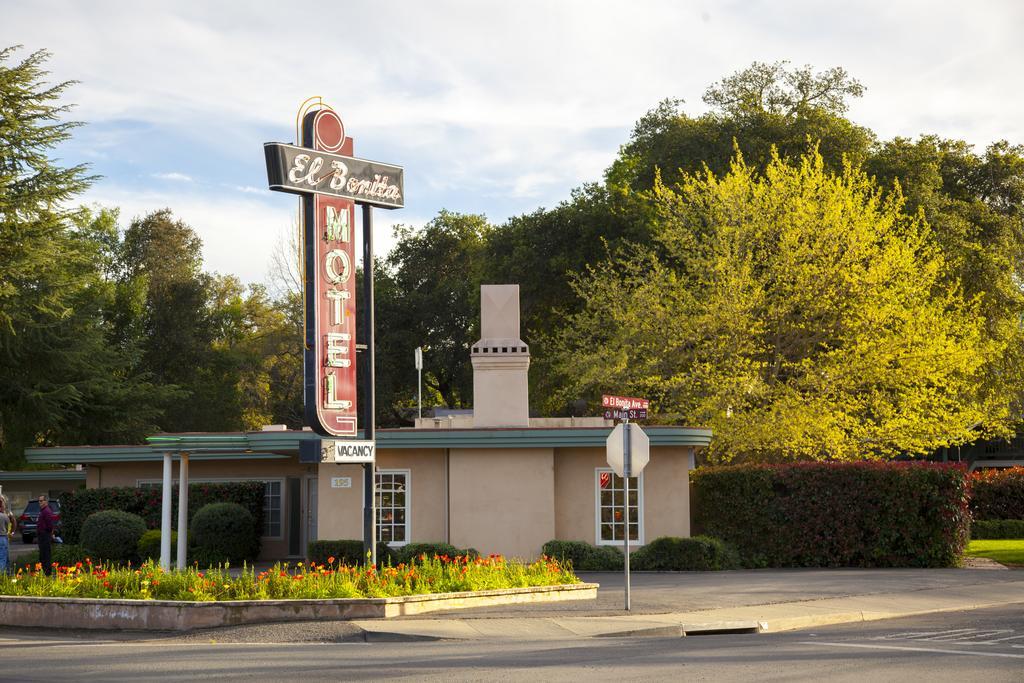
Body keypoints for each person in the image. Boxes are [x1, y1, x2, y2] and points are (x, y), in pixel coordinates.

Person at [37, 495, 57, 577]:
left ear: (46, 502)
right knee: (42, 555)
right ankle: (44, 573)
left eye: (41, 501)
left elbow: (50, 525)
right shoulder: (43, 511)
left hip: (45, 535)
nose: (40, 502)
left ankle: (47, 574)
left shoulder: (47, 511)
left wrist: (49, 534)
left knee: (46, 555)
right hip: (42, 535)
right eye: (39, 501)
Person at [0, 497, 14, 573]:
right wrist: (11, 533)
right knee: (3, 558)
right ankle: (2, 577)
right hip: (2, 538)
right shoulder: (5, 515)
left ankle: (7, 574)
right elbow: (12, 523)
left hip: (4, 537)